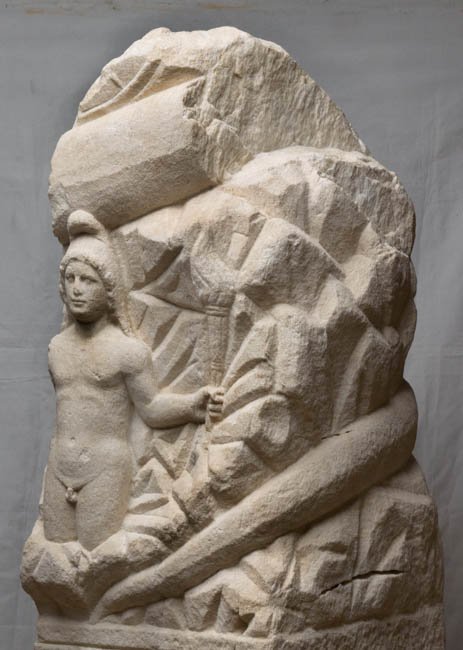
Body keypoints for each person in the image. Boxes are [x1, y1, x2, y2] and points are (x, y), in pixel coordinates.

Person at [43, 212, 223, 551]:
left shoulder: (128, 351)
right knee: (54, 552)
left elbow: (151, 408)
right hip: (58, 466)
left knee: (96, 554)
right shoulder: (56, 349)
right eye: (70, 278)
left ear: (109, 289)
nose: (77, 288)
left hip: (104, 469)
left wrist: (192, 405)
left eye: (88, 280)